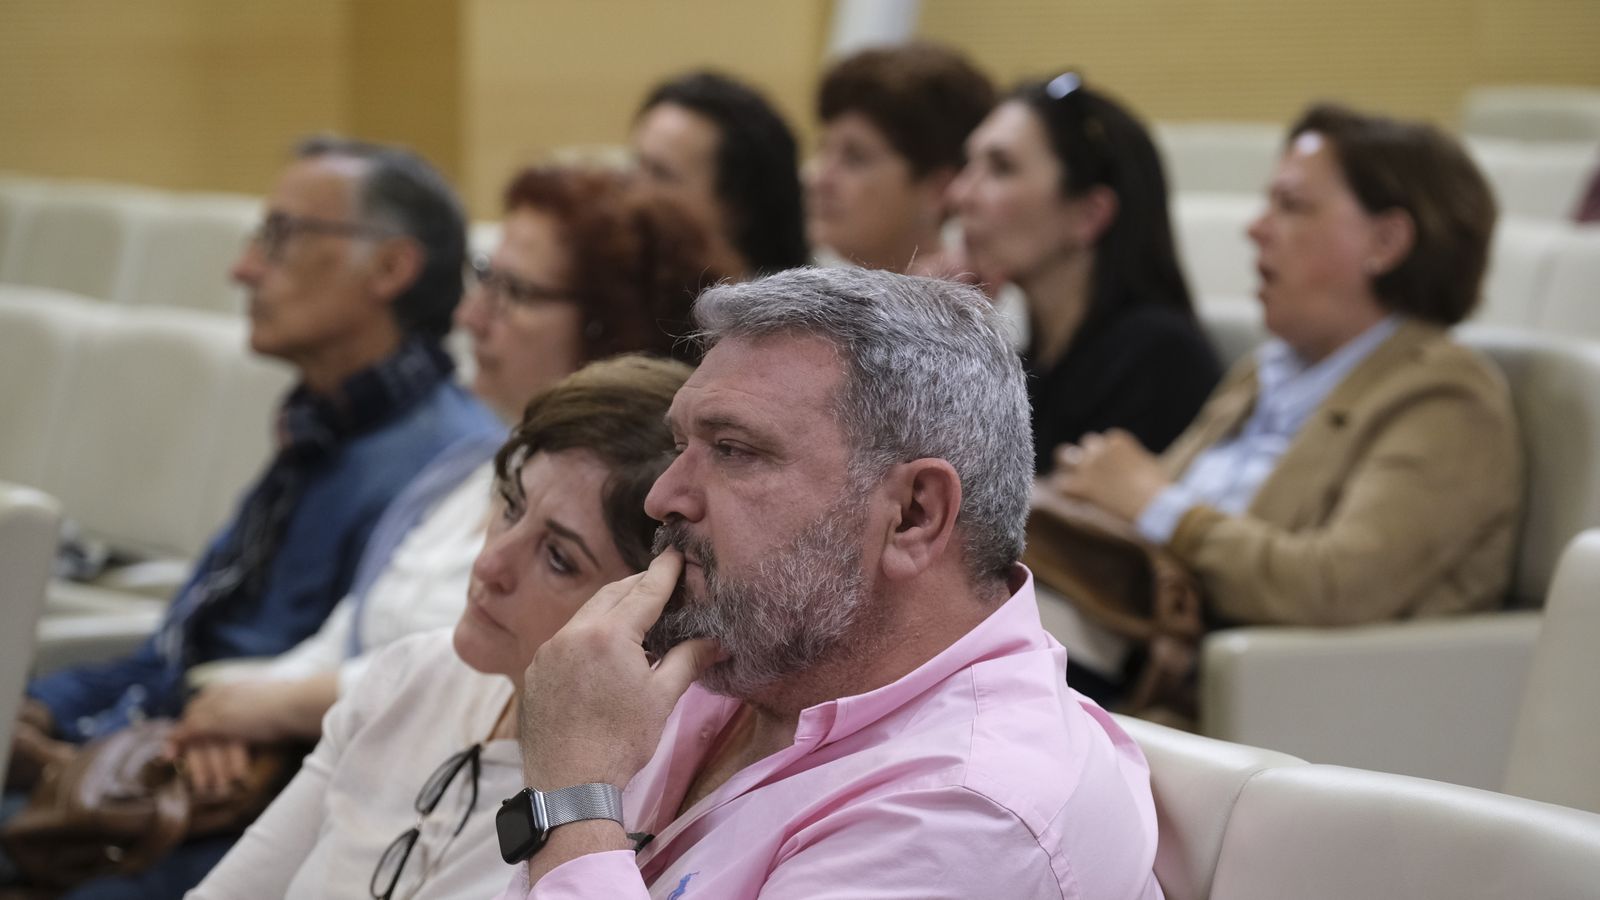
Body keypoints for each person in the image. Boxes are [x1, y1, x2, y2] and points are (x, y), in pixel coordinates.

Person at [496, 267, 1162, 898]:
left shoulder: (970, 807)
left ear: (914, 515)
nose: (664, 497)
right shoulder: (756, 656)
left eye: (734, 451)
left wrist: (574, 799)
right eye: (681, 447)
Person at [3, 136, 503, 897]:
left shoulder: (446, 466)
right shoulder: (326, 420)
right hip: (159, 750)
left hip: (238, 800)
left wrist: (222, 722)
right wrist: (35, 705)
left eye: (281, 238)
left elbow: (359, 690)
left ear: (392, 268)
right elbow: (177, 649)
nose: (244, 269)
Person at [170, 166, 719, 774]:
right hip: (335, 758)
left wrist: (270, 711)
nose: (473, 317)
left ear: (609, 327)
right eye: (484, 277)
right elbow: (344, 630)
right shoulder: (466, 466)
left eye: (516, 293)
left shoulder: (634, 511)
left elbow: (481, 679)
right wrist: (236, 709)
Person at [187, 356, 693, 900]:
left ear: (648, 609)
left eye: (558, 558)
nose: (490, 564)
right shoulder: (410, 676)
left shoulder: (625, 808)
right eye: (510, 505)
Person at [1054, 103, 1522, 634]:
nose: (1256, 229)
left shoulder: (1447, 400)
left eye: (1292, 206)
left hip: (1287, 693)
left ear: (1386, 242)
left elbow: (1335, 586)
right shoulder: (1268, 369)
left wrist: (1160, 507)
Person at [949, 72, 1221, 471]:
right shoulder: (1025, 364)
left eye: (1001, 168)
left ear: (1089, 215)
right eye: (968, 166)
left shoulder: (1160, 361)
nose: (960, 195)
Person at [806, 42, 994, 275]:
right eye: (823, 150)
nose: (819, 180)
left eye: (855, 159)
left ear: (940, 188)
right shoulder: (795, 294)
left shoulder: (999, 308)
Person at [633, 71, 810, 279]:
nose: (634, 191)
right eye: (637, 165)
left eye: (661, 174)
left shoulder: (782, 308)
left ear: (738, 207)